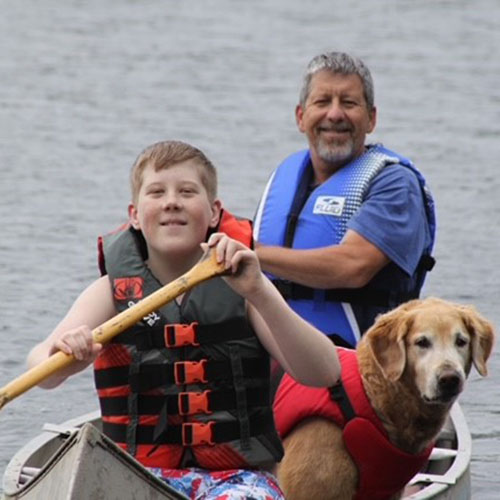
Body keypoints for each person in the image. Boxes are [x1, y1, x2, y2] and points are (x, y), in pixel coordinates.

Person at [27, 140, 340, 500]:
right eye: (156, 192)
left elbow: (325, 372)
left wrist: (260, 292)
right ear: (134, 215)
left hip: (235, 480)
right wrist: (62, 356)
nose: (172, 202)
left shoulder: (245, 287)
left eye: (187, 192)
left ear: (214, 213)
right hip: (133, 474)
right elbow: (41, 368)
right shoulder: (109, 293)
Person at [254, 51, 436, 349]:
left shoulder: (395, 184)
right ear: (301, 117)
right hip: (280, 355)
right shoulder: (286, 176)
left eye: (349, 103)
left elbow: (353, 267)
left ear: (371, 119)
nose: (335, 114)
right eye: (322, 102)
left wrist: (248, 255)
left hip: (360, 359)